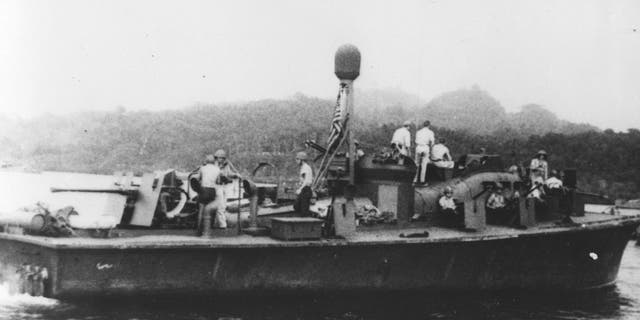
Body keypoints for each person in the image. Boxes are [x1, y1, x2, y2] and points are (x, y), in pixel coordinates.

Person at [193, 154, 225, 230]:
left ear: (206, 161)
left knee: (201, 209)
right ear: (214, 161)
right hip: (212, 190)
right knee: (211, 209)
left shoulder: (202, 168)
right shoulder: (217, 169)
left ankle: (198, 228)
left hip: (203, 190)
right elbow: (218, 181)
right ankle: (210, 227)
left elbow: (198, 178)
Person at [213, 149, 241, 222]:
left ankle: (220, 221)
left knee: (224, 204)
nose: (221, 159)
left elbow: (229, 173)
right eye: (220, 158)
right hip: (217, 186)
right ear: (216, 158)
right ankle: (222, 224)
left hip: (224, 186)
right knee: (220, 205)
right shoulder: (213, 165)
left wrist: (235, 175)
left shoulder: (226, 165)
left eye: (223, 158)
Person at [293, 151, 313, 217]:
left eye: (298, 159)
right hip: (304, 190)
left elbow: (306, 180)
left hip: (306, 190)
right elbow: (303, 180)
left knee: (304, 210)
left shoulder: (306, 167)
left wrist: (300, 189)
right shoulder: (303, 167)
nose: (296, 161)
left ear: (302, 160)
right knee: (297, 206)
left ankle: (306, 222)